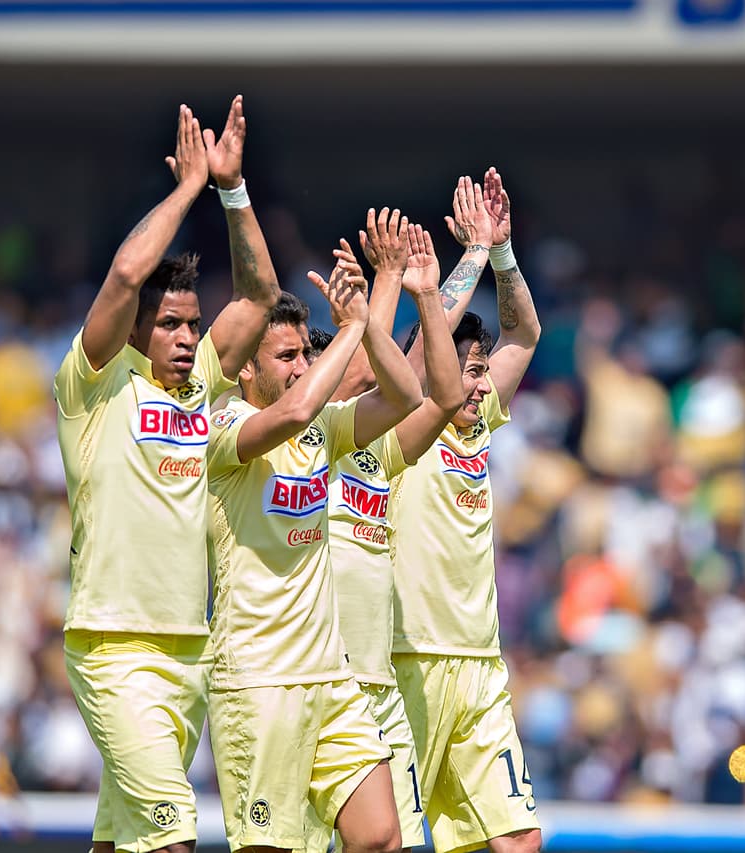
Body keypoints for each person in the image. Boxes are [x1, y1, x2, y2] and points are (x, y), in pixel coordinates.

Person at [54, 97, 280, 853]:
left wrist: (232, 191)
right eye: (171, 325)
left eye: (192, 324)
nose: (189, 338)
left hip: (190, 652)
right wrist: (188, 189)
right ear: (136, 332)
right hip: (115, 648)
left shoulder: (204, 385)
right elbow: (125, 272)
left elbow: (258, 297)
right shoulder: (95, 386)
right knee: (174, 836)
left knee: (122, 841)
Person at [205, 244, 423, 853]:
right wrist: (354, 328)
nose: (303, 368)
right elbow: (300, 407)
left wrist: (368, 326)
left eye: (307, 353)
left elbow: (405, 396)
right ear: (246, 368)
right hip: (258, 678)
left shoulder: (321, 435)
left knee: (380, 837)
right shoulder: (224, 432)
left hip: (331, 676)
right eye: (288, 355)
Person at [388, 168, 544, 853]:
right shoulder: (401, 419)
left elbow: (525, 333)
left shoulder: (476, 425)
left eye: (481, 372)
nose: (478, 385)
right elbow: (423, 350)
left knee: (517, 842)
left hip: (480, 662)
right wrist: (472, 253)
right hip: (406, 659)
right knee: (381, 841)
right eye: (467, 371)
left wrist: (504, 252)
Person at [303, 208, 465, 853]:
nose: (367, 365)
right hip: (324, 682)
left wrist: (421, 281)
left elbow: (441, 393)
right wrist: (380, 292)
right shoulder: (309, 441)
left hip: (381, 685)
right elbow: (371, 371)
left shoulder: (378, 452)